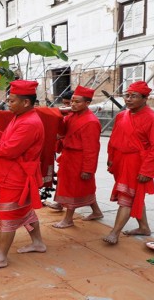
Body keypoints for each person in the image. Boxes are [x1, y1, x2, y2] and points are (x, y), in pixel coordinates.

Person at [0, 80, 46, 270]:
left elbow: (10, 150)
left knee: (7, 216)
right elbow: (12, 141)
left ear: (26, 102)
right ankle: (38, 243)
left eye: (12, 100)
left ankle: (1, 256)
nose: (8, 103)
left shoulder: (29, 122)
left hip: (17, 176)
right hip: (15, 173)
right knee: (26, 212)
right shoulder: (21, 117)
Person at [103, 81, 154, 244]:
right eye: (127, 95)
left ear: (145, 98)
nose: (129, 99)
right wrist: (111, 158)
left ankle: (114, 233)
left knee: (127, 197)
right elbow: (113, 139)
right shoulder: (121, 116)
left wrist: (148, 171)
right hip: (121, 161)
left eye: (134, 96)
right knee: (134, 195)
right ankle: (144, 227)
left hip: (138, 163)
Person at [52, 86, 103, 229]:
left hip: (79, 159)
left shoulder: (91, 121)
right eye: (72, 101)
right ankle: (97, 212)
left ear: (87, 104)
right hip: (69, 157)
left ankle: (68, 219)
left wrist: (88, 169)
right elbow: (63, 132)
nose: (72, 105)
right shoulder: (72, 116)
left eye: (77, 102)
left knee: (73, 189)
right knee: (82, 187)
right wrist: (58, 118)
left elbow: (92, 149)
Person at [44, 88, 74, 211]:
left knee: (70, 182)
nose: (66, 106)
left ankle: (65, 208)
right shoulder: (67, 115)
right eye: (65, 103)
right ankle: (60, 203)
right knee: (63, 179)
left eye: (69, 103)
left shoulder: (86, 119)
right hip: (67, 152)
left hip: (75, 154)